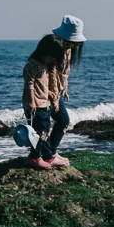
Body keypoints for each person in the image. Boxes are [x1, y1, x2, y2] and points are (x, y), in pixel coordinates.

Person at [22, 15, 86, 169]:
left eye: (75, 43)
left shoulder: (66, 50)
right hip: (46, 95)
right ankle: (43, 156)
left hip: (54, 93)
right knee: (41, 127)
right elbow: (48, 75)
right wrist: (51, 93)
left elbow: (63, 73)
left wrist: (64, 89)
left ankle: (49, 153)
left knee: (62, 121)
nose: (72, 46)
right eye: (70, 42)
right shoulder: (53, 49)